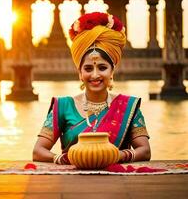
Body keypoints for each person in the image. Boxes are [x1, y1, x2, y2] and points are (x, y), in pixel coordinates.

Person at [33, 12, 151, 165]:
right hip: (71, 182)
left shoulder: (128, 106)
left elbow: (145, 150)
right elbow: (38, 151)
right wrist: (62, 159)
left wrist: (117, 156)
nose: (95, 75)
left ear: (112, 71)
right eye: (88, 69)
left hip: (118, 182)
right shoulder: (63, 106)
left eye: (102, 68)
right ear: (80, 73)